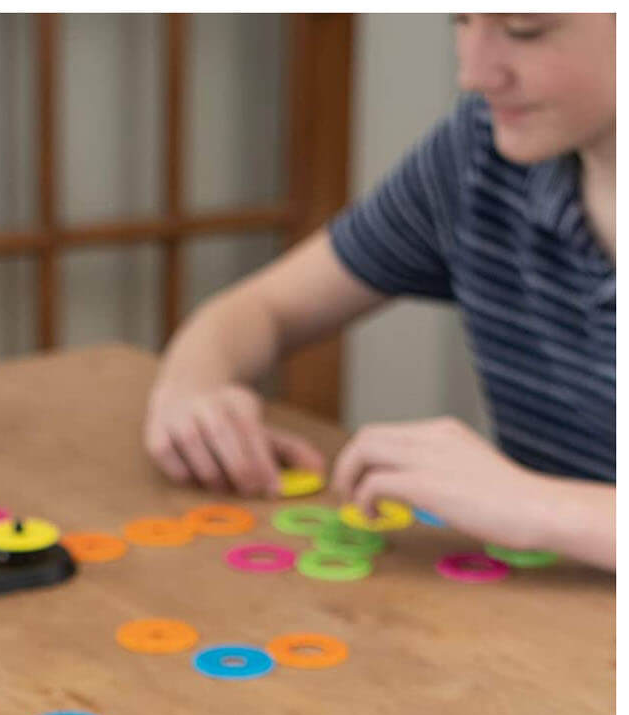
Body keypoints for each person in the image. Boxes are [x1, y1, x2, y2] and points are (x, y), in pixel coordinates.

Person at [144, 13, 615, 570]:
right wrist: (190, 389)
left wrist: (542, 506)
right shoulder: (480, 156)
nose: (474, 73)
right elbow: (261, 309)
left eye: (524, 30)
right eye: (459, 19)